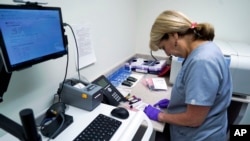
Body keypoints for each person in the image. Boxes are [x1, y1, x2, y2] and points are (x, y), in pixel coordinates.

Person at [143, 10, 232, 141]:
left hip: (200, 136)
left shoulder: (202, 61)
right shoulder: (204, 49)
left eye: (163, 47)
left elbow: (194, 119)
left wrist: (160, 116)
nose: (167, 54)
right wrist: (178, 103)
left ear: (174, 36)